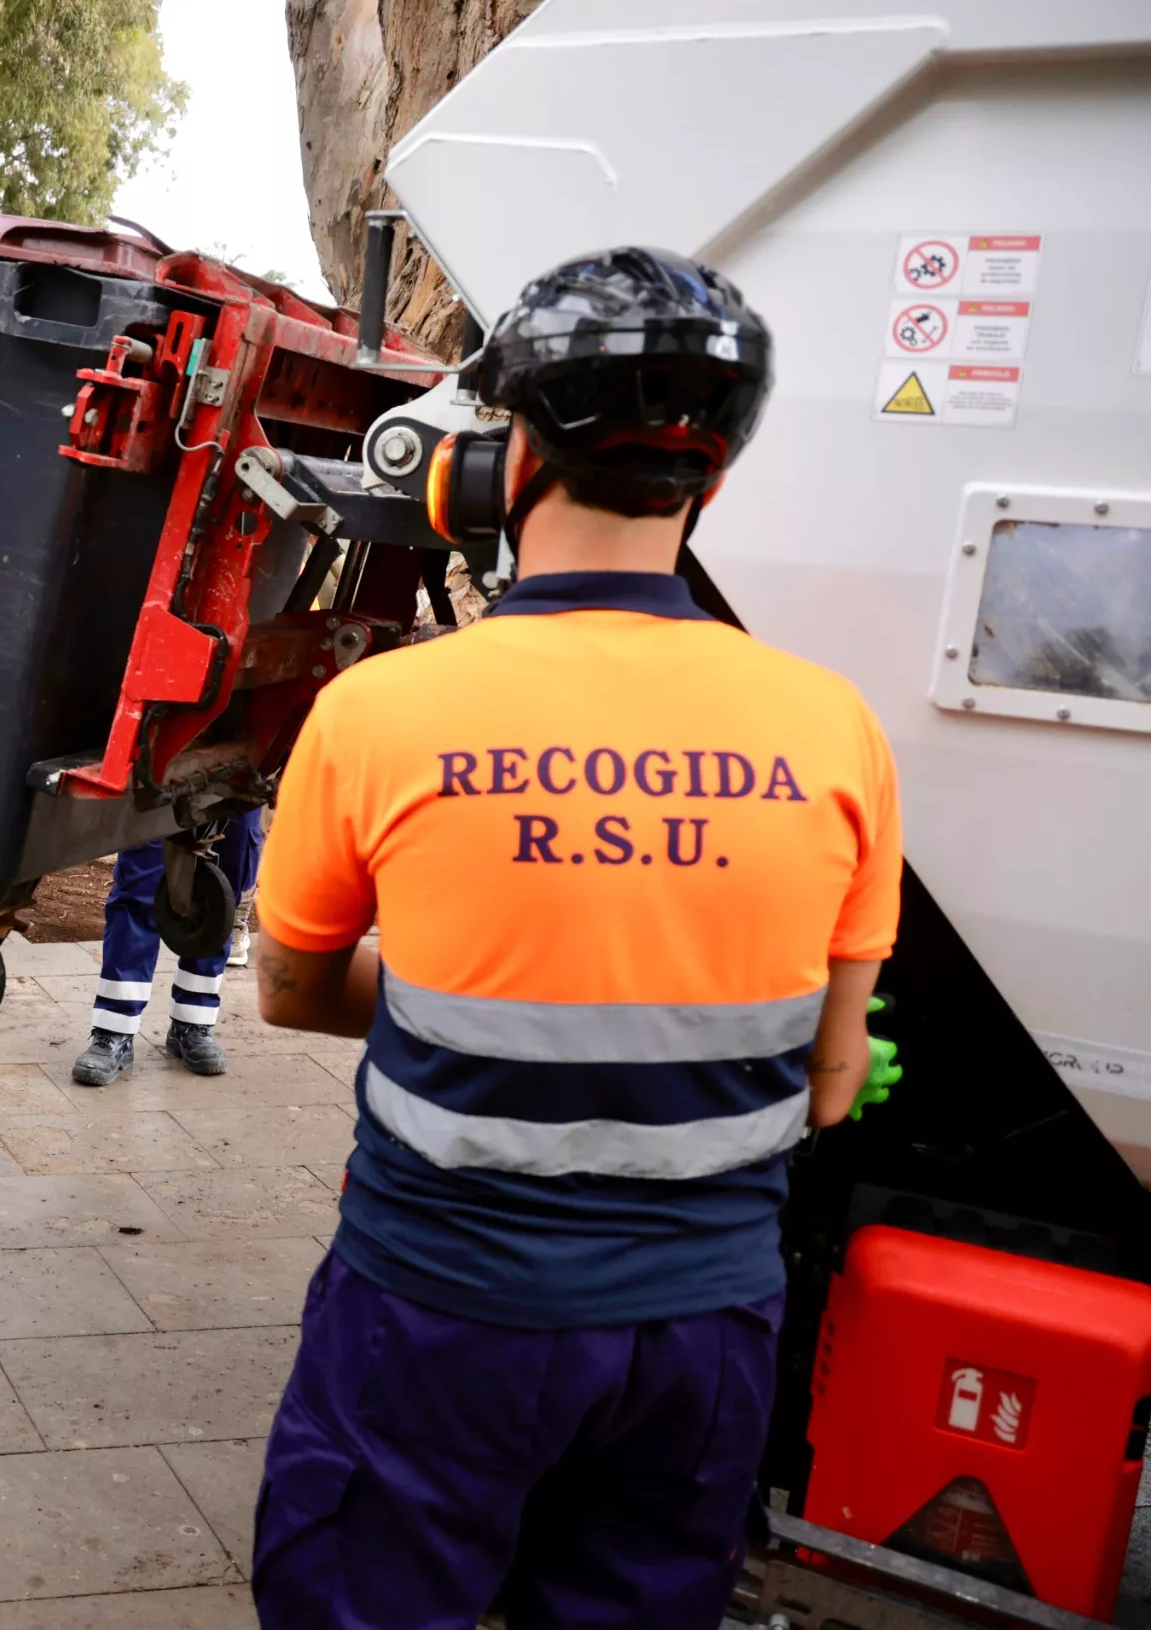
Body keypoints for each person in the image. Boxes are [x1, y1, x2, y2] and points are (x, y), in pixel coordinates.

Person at [245, 248, 904, 1628]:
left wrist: (477, 989)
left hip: (437, 1315)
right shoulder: (835, 725)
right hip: (705, 1336)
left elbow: (294, 990)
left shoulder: (380, 712)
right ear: (712, 481)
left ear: (500, 462)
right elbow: (833, 1083)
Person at [70, 809, 265, 1085]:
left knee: (219, 890)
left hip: (247, 771)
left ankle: (193, 1022)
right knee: (140, 878)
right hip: (163, 770)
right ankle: (115, 1028)